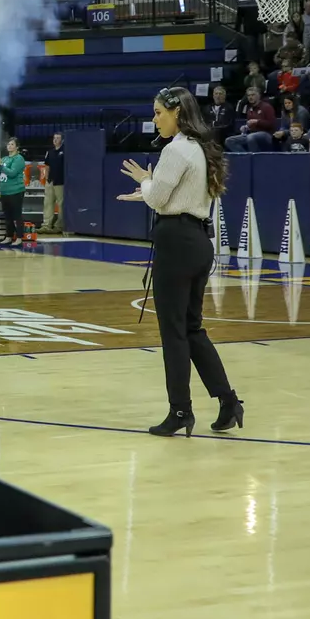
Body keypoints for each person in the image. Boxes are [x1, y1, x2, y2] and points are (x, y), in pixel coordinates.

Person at [117, 86, 242, 438]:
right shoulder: (198, 148)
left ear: (176, 113)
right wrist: (147, 189)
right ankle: (228, 401)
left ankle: (180, 411)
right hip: (199, 242)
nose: (154, 119)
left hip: (177, 242)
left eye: (158, 113)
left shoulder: (175, 150)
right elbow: (167, 196)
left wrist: (144, 182)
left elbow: (158, 198)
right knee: (191, 329)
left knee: (173, 333)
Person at [0, 136, 26, 246]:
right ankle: (9, 236)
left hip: (16, 190)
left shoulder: (19, 158)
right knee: (7, 216)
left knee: (17, 215)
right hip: (4, 191)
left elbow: (12, 173)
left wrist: (1, 165)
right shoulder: (5, 158)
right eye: (8, 144)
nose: (9, 146)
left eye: (12, 144)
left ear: (17, 147)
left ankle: (20, 237)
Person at [43, 132, 65, 234]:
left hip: (61, 181)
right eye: (54, 138)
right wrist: (47, 178)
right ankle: (46, 225)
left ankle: (59, 226)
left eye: (57, 138)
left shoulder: (65, 151)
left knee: (61, 204)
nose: (55, 140)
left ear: (62, 140)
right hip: (50, 181)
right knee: (48, 203)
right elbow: (47, 166)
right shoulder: (49, 152)